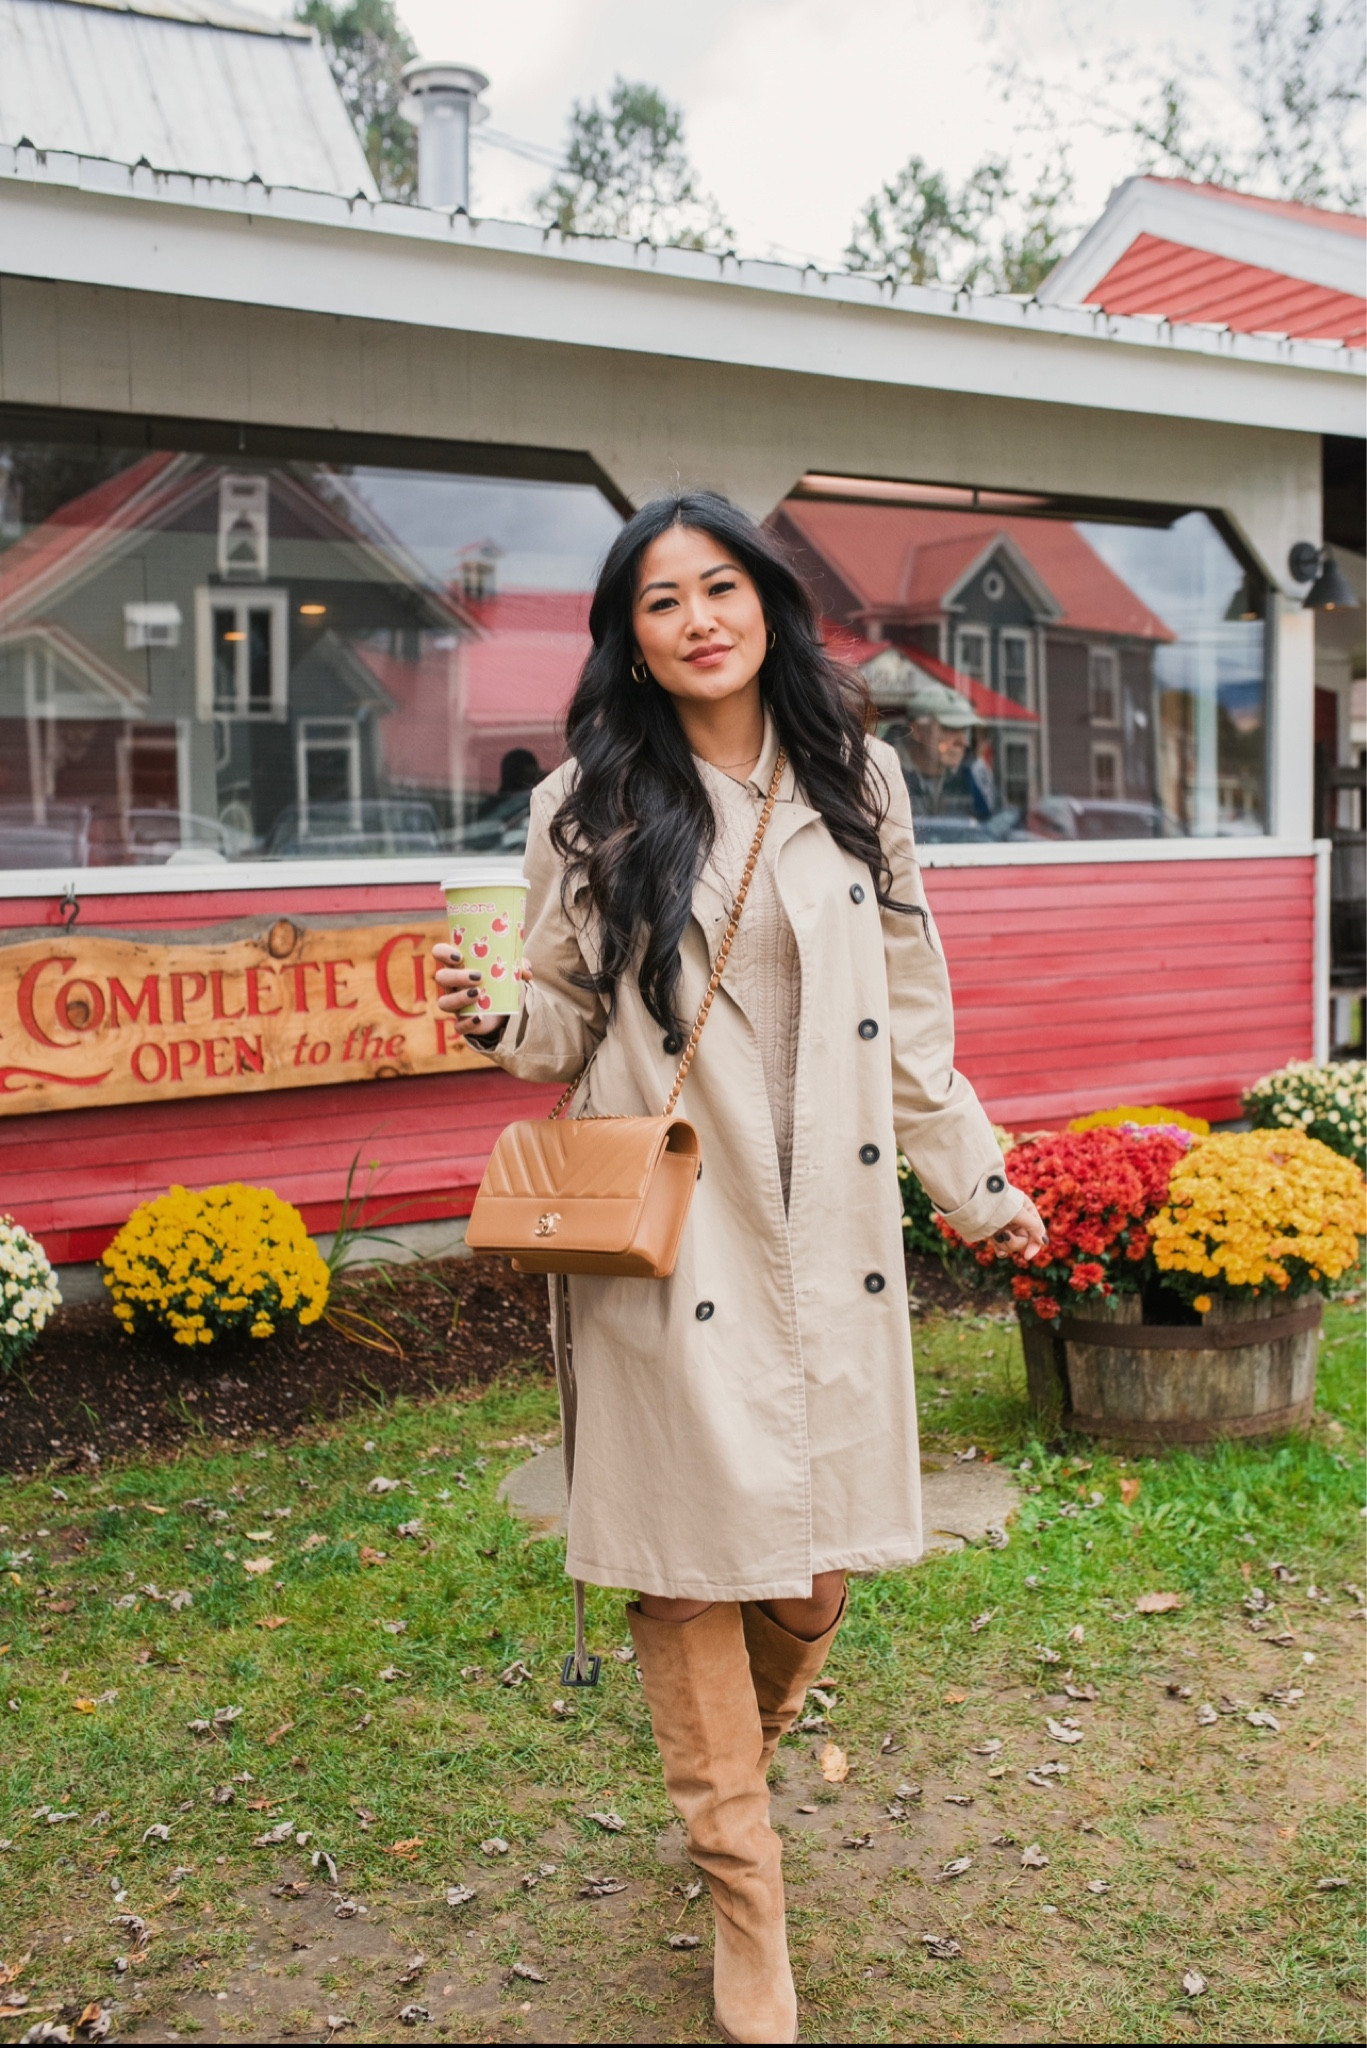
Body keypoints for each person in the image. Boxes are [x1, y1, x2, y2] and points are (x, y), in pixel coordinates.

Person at [434, 493, 1045, 2045]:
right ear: (626, 638)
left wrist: (974, 1185)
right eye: (659, 600)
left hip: (827, 1230)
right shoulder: (589, 801)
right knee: (684, 1558)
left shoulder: (859, 779)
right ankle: (739, 1885)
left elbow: (912, 1018)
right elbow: (563, 1023)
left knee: (815, 1565)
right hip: (669, 1229)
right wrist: (498, 1018)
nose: (697, 616)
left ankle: (734, 1782)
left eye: (720, 587)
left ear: (765, 603)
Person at [884, 678, 996, 824]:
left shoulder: (973, 775)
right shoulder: (884, 775)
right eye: (949, 728)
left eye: (964, 730)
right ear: (917, 730)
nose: (963, 742)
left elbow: (998, 821)